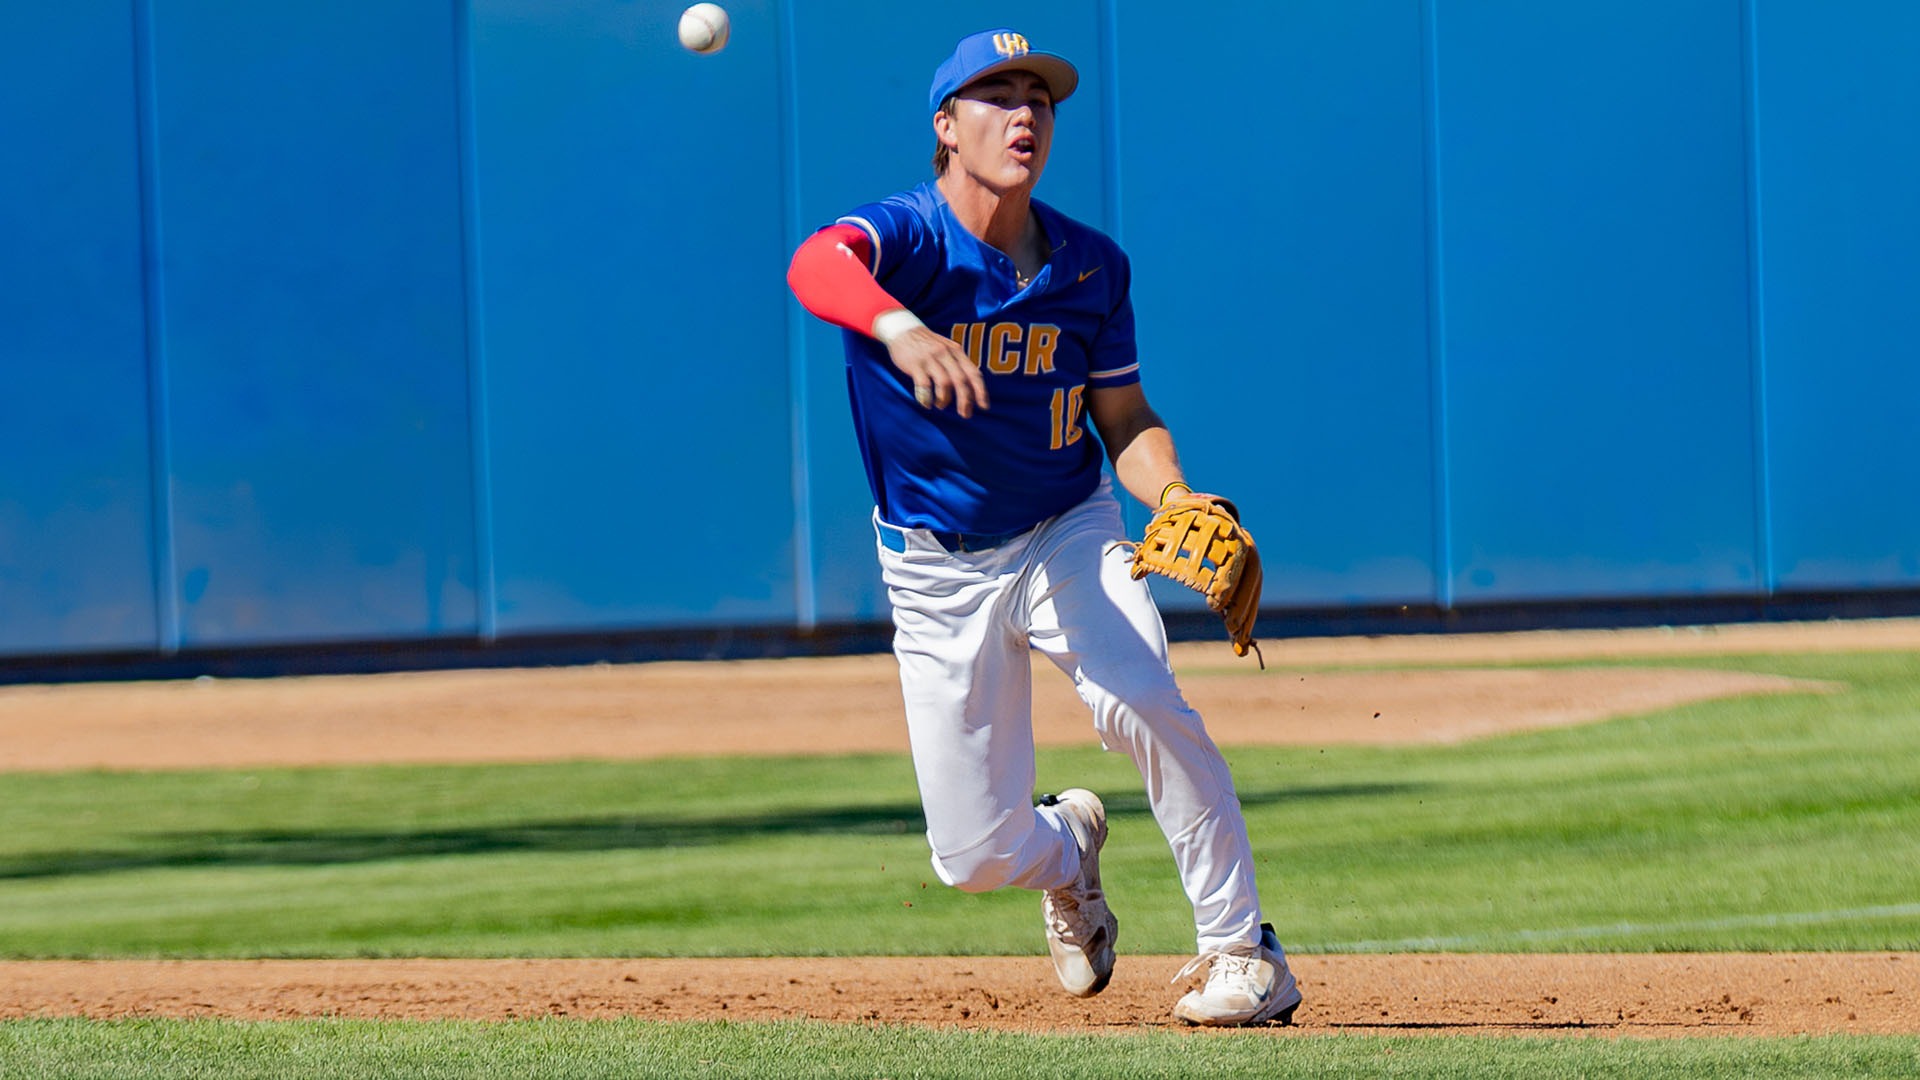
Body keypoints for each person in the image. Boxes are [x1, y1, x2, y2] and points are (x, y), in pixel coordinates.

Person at [785, 27, 1301, 1027]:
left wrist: (1176, 495)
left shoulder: (1091, 268)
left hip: (1067, 527)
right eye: (996, 96)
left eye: (1040, 98)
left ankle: (1244, 951)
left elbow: (1126, 420)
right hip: (935, 569)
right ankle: (1070, 849)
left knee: (1143, 698)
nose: (1024, 114)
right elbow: (817, 262)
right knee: (973, 858)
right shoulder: (908, 240)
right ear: (947, 126)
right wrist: (897, 324)